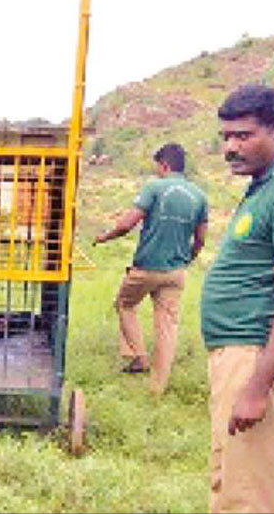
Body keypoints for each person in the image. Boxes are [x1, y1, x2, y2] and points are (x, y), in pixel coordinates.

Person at [202, 84, 274, 513]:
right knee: (229, 481)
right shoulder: (265, 187)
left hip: (253, 354)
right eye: (226, 137)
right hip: (235, 353)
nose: (231, 147)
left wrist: (257, 387)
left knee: (248, 496)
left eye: (243, 136)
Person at [93, 142, 208, 394]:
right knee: (167, 327)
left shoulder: (154, 187)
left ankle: (139, 355)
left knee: (125, 304)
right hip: (176, 272)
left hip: (146, 267)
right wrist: (188, 258)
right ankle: (157, 388)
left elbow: (126, 225)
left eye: (158, 166)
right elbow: (200, 239)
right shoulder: (199, 195)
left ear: (164, 165)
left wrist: (104, 237)